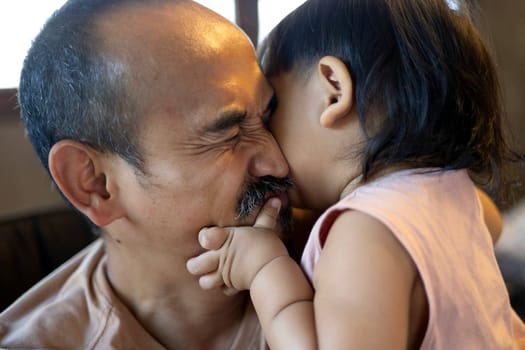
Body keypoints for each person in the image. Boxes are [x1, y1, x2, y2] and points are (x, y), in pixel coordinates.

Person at [187, 0, 525, 349]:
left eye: (272, 108)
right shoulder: (455, 191)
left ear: (333, 89)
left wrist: (263, 267)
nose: (268, 143)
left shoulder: (364, 229)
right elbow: (493, 223)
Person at [0, 0, 294, 348]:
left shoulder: (347, 255)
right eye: (228, 135)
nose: (278, 163)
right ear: (95, 184)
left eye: (267, 116)